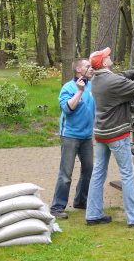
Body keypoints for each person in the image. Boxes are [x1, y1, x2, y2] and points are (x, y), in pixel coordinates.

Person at [85, 47, 134, 228]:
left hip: (101, 133)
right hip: (116, 134)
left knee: (98, 174)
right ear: (103, 63)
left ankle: (93, 214)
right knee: (127, 174)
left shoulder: (97, 78)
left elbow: (120, 76)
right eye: (106, 56)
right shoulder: (112, 81)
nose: (109, 56)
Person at [50, 58, 95, 219]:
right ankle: (57, 207)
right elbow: (68, 109)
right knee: (66, 174)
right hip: (70, 135)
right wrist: (79, 91)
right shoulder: (68, 87)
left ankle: (81, 201)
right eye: (87, 66)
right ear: (78, 70)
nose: (91, 69)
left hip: (87, 137)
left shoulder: (92, 86)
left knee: (89, 170)